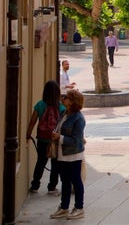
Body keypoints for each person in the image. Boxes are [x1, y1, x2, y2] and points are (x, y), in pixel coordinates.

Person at [49, 89, 86, 220]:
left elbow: (76, 140)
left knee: (76, 181)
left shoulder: (79, 118)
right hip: (62, 154)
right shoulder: (64, 112)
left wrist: (59, 137)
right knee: (64, 181)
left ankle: (79, 208)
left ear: (72, 101)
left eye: (66, 97)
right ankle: (64, 207)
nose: (63, 98)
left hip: (73, 155)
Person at [27, 80, 65, 195]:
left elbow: (33, 121)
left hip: (42, 139)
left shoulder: (40, 105)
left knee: (41, 162)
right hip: (55, 140)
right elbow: (63, 125)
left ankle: (35, 185)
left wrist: (28, 134)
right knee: (55, 164)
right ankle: (52, 187)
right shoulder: (61, 108)